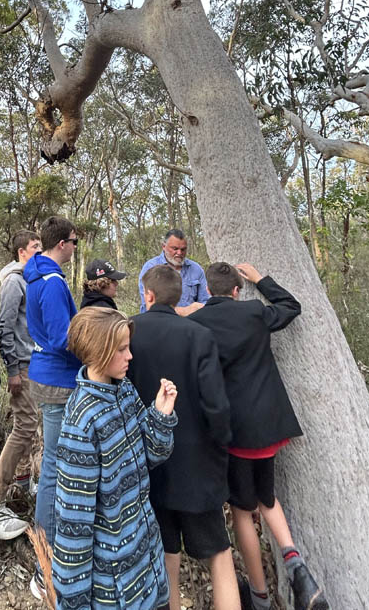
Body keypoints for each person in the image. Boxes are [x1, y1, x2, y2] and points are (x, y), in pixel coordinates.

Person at [191, 262, 329, 610]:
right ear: (237, 291)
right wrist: (261, 279)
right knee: (266, 498)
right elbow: (290, 306)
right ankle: (296, 565)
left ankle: (259, 596)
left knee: (242, 510)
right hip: (268, 426)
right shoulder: (253, 311)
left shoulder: (198, 323)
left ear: (207, 290)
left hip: (234, 431)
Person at [129, 264, 240, 610]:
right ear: (179, 297)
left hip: (149, 467)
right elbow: (216, 405)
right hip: (198, 465)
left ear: (148, 295)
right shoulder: (199, 335)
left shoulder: (128, 332)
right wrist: (222, 447)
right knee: (219, 553)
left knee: (166, 555)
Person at [53, 305, 178, 610]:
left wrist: (160, 415)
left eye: (128, 347)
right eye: (121, 349)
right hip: (115, 588)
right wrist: (74, 604)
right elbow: (73, 523)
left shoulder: (124, 391)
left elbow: (151, 456)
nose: (130, 356)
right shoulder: (81, 423)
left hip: (147, 561)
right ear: (98, 351)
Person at [23, 215, 80, 600]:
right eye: (74, 241)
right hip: (58, 379)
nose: (75, 247)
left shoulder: (36, 275)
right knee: (56, 468)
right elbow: (62, 337)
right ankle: (46, 565)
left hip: (45, 374)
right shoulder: (53, 281)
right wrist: (97, 345)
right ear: (62, 243)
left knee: (55, 462)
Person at [0, 229, 41, 540]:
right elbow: (4, 326)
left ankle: (24, 484)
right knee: (24, 427)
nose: (39, 250)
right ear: (21, 252)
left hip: (33, 364)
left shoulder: (30, 279)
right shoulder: (14, 282)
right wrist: (13, 370)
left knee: (28, 424)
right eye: (34, 247)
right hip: (22, 367)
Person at [138, 228, 209, 313]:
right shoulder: (150, 267)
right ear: (163, 246)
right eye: (175, 249)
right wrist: (183, 311)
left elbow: (205, 301)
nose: (179, 253)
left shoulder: (196, 269)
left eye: (183, 249)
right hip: (159, 319)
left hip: (191, 320)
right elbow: (148, 305)